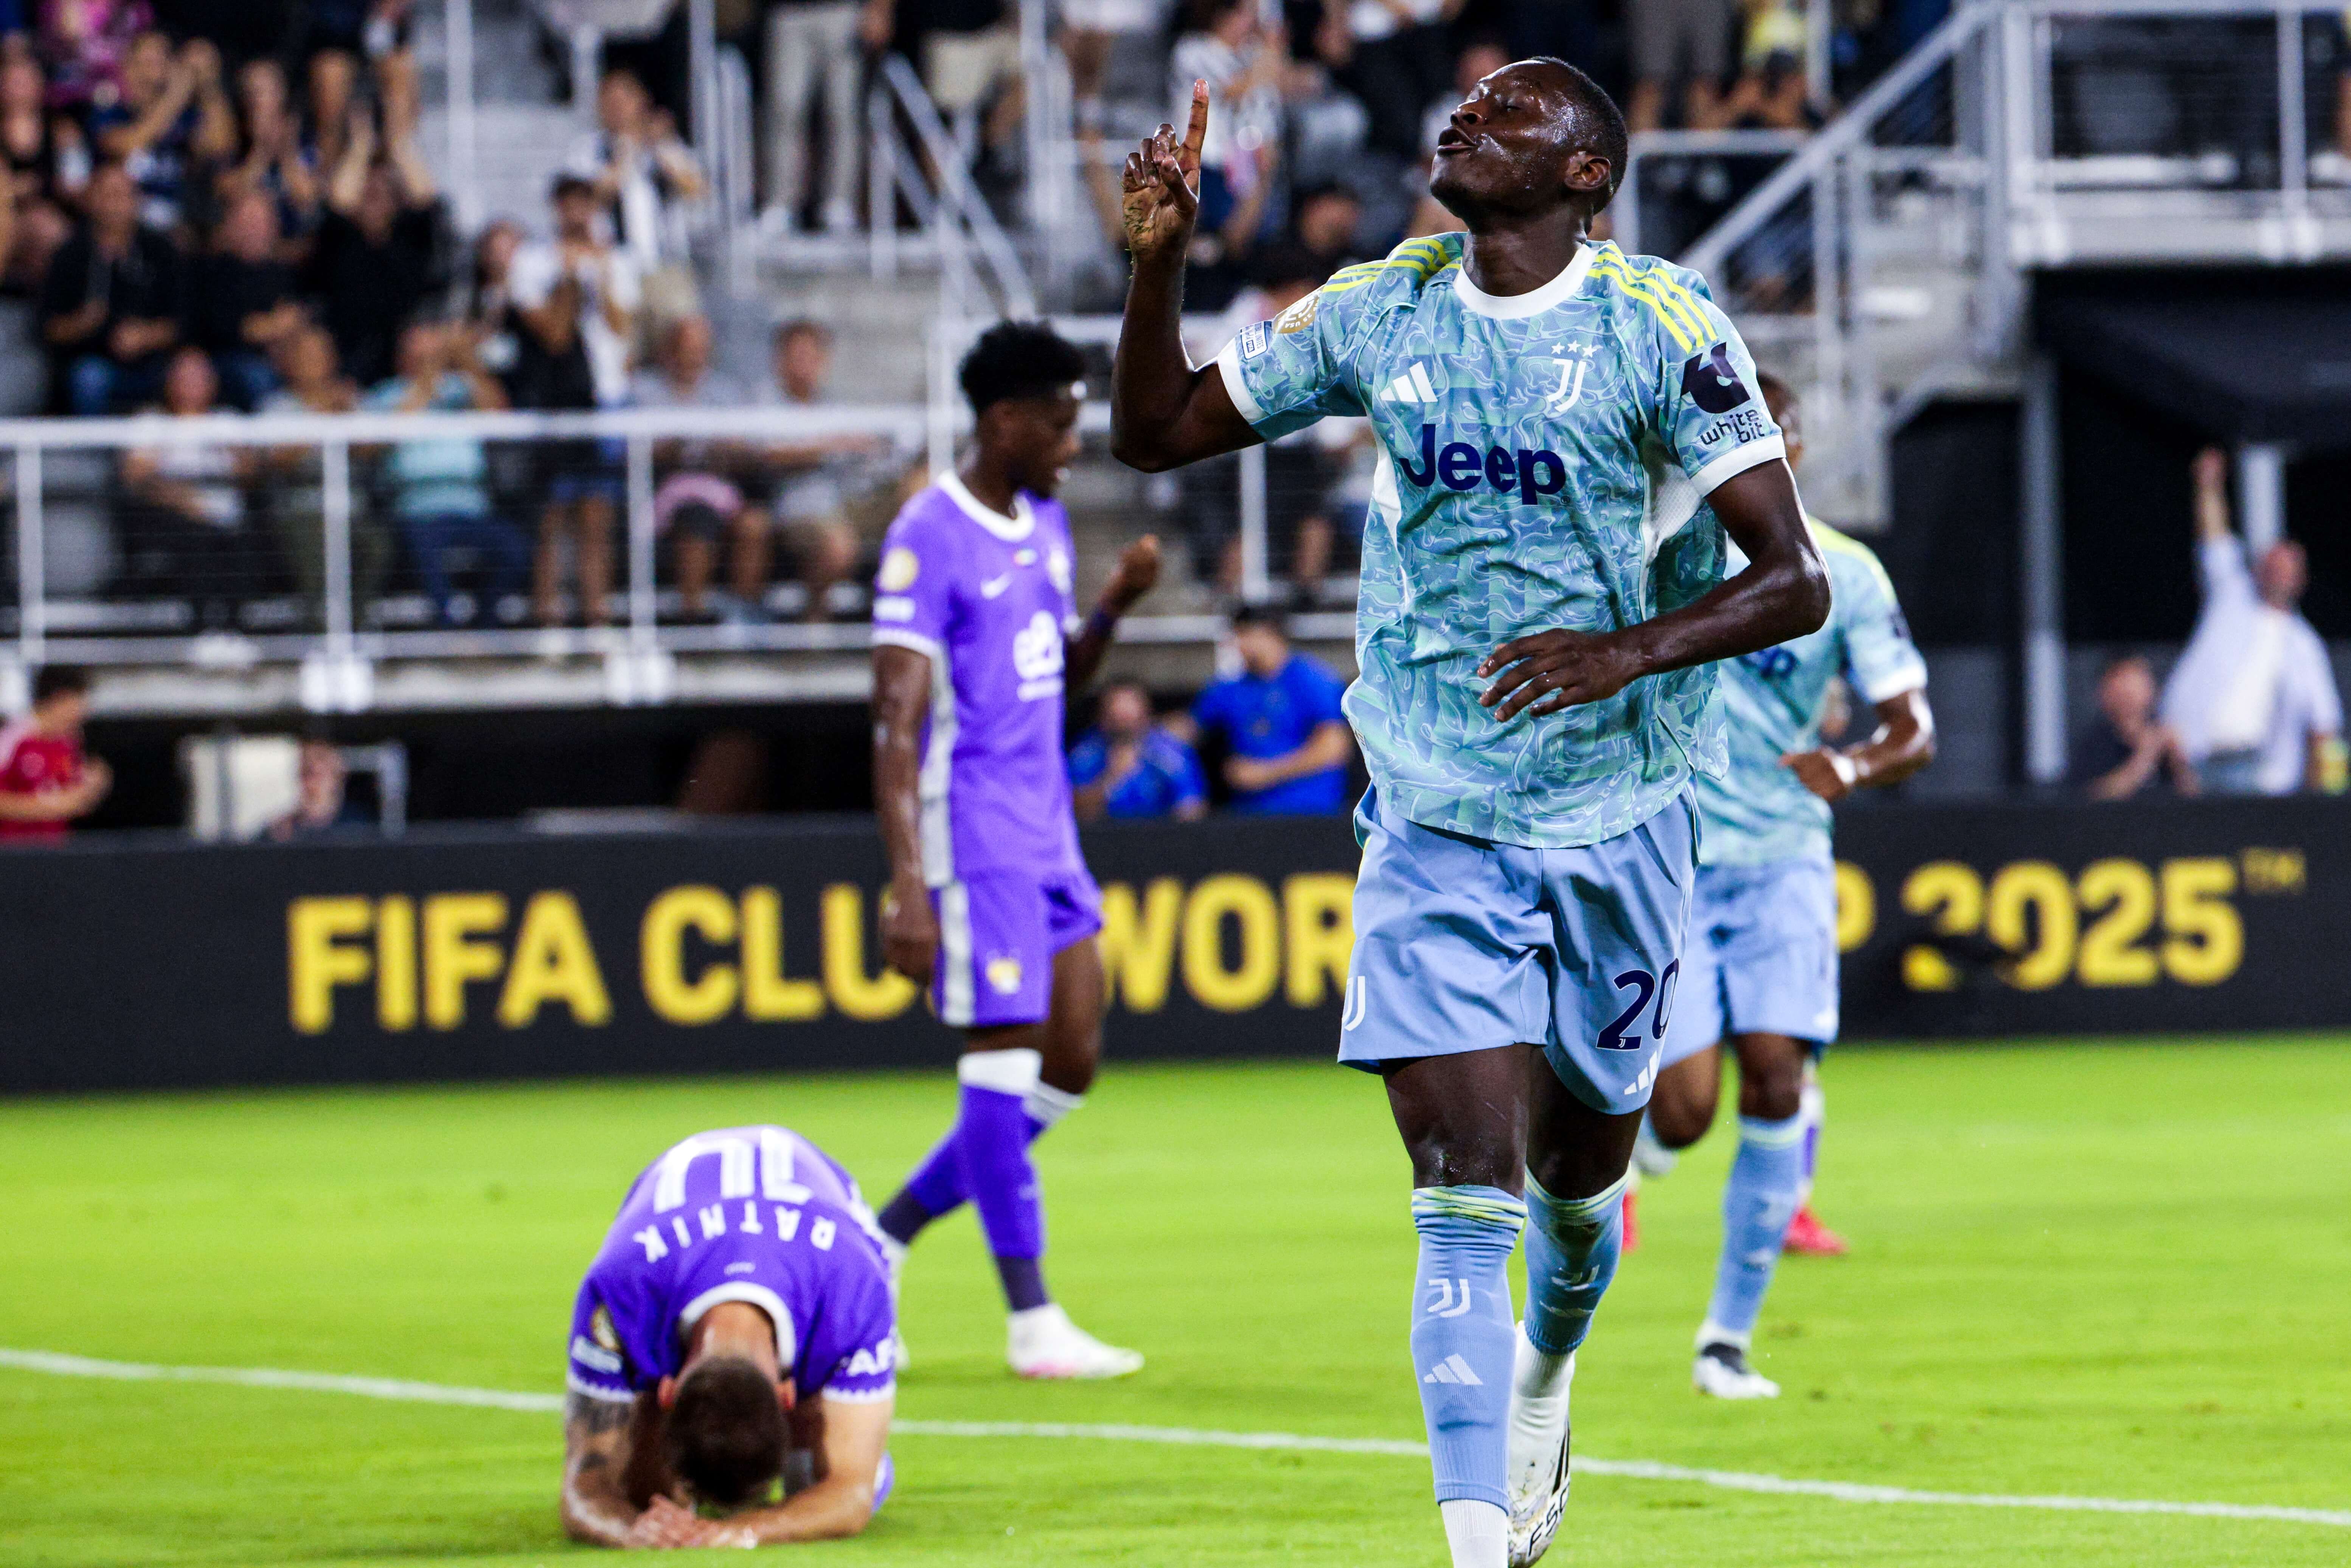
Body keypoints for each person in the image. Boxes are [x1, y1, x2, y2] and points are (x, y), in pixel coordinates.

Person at [1112, 68, 1826, 1568]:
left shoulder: (1663, 324)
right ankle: (1476, 1542)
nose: (1463, 120)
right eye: (1467, 108)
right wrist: (1160, 262)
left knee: (1581, 1180)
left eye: (1509, 116)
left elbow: (1792, 577)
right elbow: (1160, 430)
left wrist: (1616, 652)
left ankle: (1548, 1376)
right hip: (1433, 804)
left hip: (1622, 810)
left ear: (1584, 177)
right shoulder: (1383, 306)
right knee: (1460, 1178)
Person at [864, 320, 1162, 1380]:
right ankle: (1032, 1319)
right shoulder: (927, 533)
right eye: (1059, 424)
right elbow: (894, 720)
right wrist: (909, 882)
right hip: (975, 820)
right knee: (1003, 1058)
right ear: (1002, 423)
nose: (1074, 445)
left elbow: (1061, 676)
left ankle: (883, 1234)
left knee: (1072, 1059)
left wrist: (1116, 605)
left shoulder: (1041, 522)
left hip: (1047, 819)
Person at [1635, 373, 1935, 1399]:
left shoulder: (1846, 574)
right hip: (1673, 863)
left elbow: (1913, 728)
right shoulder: (1665, 556)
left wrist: (1850, 766)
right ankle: (1630, 1150)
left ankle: (1726, 1339)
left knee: (1775, 1079)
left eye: (1785, 432)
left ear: (1796, 451)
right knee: (1683, 1111)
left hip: (1782, 865)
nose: (1774, 447)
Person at [559, 1124, 896, 1547]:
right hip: (680, 1238)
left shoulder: (855, 1290)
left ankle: (806, 1445)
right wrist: (635, 1529)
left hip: (821, 1234)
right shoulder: (621, 1289)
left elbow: (850, 1496)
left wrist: (744, 1529)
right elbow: (586, 1489)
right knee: (643, 1494)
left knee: (811, 1480)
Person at [2159, 447, 2344, 796]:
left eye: (2287, 570)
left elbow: (2325, 727)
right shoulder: (2232, 597)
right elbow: (2215, 539)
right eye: (2272, 565)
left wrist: (2323, 803)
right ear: (2259, 567)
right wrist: (2209, 485)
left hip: (2257, 774)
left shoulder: (2305, 645)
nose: (2278, 575)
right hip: (2189, 759)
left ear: (2301, 580)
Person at [510, 173, 638, 629]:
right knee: (553, 514)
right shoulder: (531, 261)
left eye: (585, 203)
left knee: (597, 516)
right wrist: (567, 275)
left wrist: (599, 272)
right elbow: (554, 334)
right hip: (558, 400)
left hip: (606, 400)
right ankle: (549, 616)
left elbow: (623, 329)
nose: (577, 214)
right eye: (568, 204)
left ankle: (596, 616)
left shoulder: (616, 261)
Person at [362, 319, 530, 625]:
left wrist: (466, 358)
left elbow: (498, 412)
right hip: (416, 510)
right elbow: (391, 433)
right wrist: (431, 371)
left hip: (473, 507)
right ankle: (447, 630)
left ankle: (484, 626)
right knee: (426, 553)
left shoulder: (460, 388)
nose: (431, 354)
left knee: (515, 548)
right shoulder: (385, 394)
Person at [120, 346, 268, 624]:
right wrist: (184, 500)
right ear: (168, 380)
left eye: (200, 375)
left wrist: (234, 451)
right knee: (197, 538)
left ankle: (236, 631)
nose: (192, 382)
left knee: (246, 540)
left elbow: (254, 475)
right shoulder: (151, 421)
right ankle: (204, 629)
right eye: (184, 375)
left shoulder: (228, 420)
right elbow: (134, 477)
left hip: (229, 518)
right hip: (172, 516)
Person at [631, 312, 760, 623]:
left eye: (701, 350)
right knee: (696, 520)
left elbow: (742, 447)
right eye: (687, 349)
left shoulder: (724, 392)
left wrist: (716, 449)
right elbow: (640, 450)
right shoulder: (644, 391)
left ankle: (740, 617)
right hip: (665, 492)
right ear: (669, 352)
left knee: (755, 526)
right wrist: (680, 446)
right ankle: (693, 620)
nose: (695, 358)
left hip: (720, 488)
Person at [306, 104, 447, 388]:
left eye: (384, 193)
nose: (376, 198)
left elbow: (427, 202)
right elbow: (338, 206)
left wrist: (400, 145)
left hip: (405, 370)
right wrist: (360, 148)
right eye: (368, 193)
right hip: (346, 368)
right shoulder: (342, 240)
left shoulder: (410, 240)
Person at [565, 66, 704, 341]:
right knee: (624, 345)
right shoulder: (588, 150)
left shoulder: (664, 146)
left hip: (665, 263)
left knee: (679, 338)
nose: (618, 110)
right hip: (616, 263)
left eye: (624, 101)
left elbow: (695, 188)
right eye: (610, 103)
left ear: (641, 102)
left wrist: (660, 149)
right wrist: (625, 155)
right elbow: (588, 198)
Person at [40, 160, 183, 414]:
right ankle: (92, 451)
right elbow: (47, 328)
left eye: (122, 194)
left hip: (153, 362)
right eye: (107, 195)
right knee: (89, 377)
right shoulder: (70, 255)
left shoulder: (160, 250)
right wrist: (81, 324)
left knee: (189, 372)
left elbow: (185, 319)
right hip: (93, 362)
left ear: (136, 200)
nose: (115, 204)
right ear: (90, 200)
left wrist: (145, 336)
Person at [1185, 604, 1352, 812]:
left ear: (1271, 634)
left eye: (1245, 634)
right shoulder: (1229, 689)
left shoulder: (1313, 680)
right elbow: (1188, 729)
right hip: (1248, 816)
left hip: (1308, 814)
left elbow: (1333, 748)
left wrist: (1263, 774)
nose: (1239, 645)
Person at [190, 187, 303, 409]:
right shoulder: (211, 270)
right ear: (230, 225)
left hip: (280, 357)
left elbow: (295, 318)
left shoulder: (284, 273)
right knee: (257, 376)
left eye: (261, 222)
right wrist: (270, 327)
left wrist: (273, 329)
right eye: (248, 221)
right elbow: (229, 328)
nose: (255, 230)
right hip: (225, 360)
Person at [763, 0, 871, 232]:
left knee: (843, 110)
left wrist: (879, 8)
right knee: (786, 107)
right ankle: (781, 203)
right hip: (789, 11)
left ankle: (840, 203)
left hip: (844, 11)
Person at [0, 664, 111, 844]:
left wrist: (94, 786)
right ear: (58, 699)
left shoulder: (69, 741)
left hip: (54, 851)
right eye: (77, 704)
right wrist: (53, 808)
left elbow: (74, 803)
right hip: (14, 854)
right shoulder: (12, 739)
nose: (82, 714)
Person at [1069, 681, 1208, 820]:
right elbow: (1072, 810)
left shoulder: (1171, 753)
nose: (1123, 720)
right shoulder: (1085, 754)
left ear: (1146, 715)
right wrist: (1112, 779)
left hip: (1159, 836)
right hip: (1099, 837)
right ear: (1102, 717)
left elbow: (1193, 807)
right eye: (1116, 716)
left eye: (1129, 717)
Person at [2073, 652, 2196, 800]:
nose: (2128, 694)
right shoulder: (2094, 745)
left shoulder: (2165, 734)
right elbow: (2092, 798)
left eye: (2135, 685)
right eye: (2120, 685)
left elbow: (2195, 797)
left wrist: (2178, 761)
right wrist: (2145, 756)